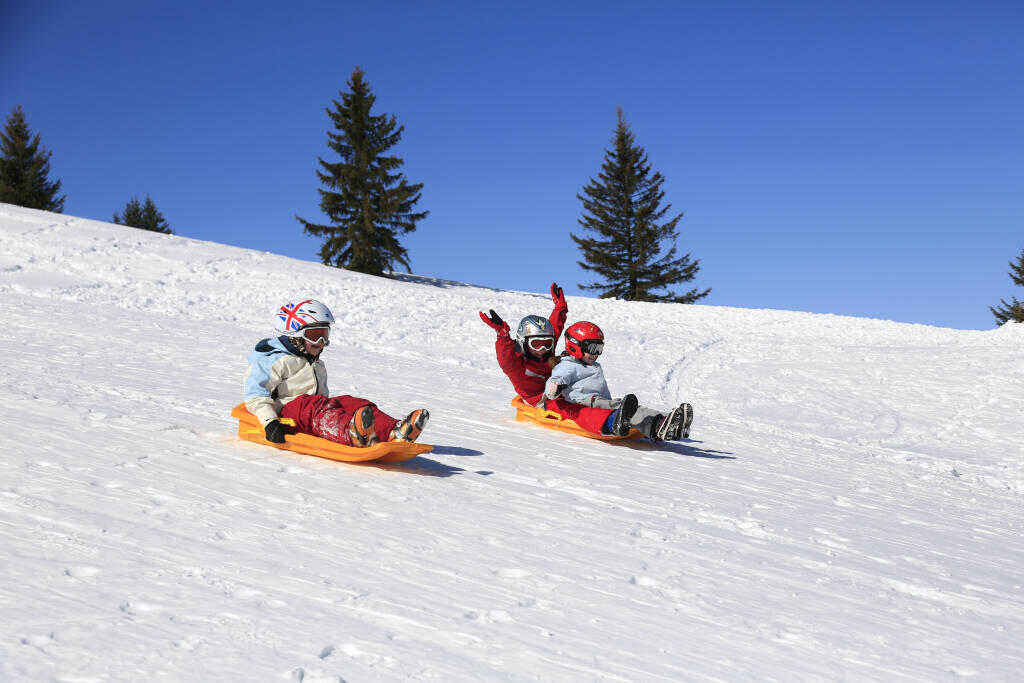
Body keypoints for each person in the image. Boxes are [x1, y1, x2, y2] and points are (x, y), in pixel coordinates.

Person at [244, 299, 428, 447]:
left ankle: (392, 430)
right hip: (285, 414)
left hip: (311, 411)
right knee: (312, 405)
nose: (322, 341)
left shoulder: (316, 364)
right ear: (295, 335)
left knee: (351, 403)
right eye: (315, 335)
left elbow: (322, 401)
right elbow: (255, 397)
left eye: (325, 334)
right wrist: (270, 422)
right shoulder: (272, 360)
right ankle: (351, 432)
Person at [479, 284, 630, 436]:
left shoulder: (545, 353)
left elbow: (555, 327)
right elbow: (505, 357)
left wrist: (560, 306)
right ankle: (610, 422)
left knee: (588, 394)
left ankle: (631, 415)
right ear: (523, 342)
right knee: (572, 409)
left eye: (548, 343)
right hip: (543, 400)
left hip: (562, 387)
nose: (543, 349)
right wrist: (502, 334)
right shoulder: (517, 365)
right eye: (536, 344)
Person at [544, 320, 694, 441]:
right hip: (586, 402)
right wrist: (554, 388)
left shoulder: (593, 364)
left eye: (599, 349)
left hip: (599, 401)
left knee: (630, 408)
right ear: (574, 345)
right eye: (592, 347)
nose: (595, 354)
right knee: (626, 409)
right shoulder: (568, 364)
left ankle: (670, 422)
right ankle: (660, 423)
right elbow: (556, 379)